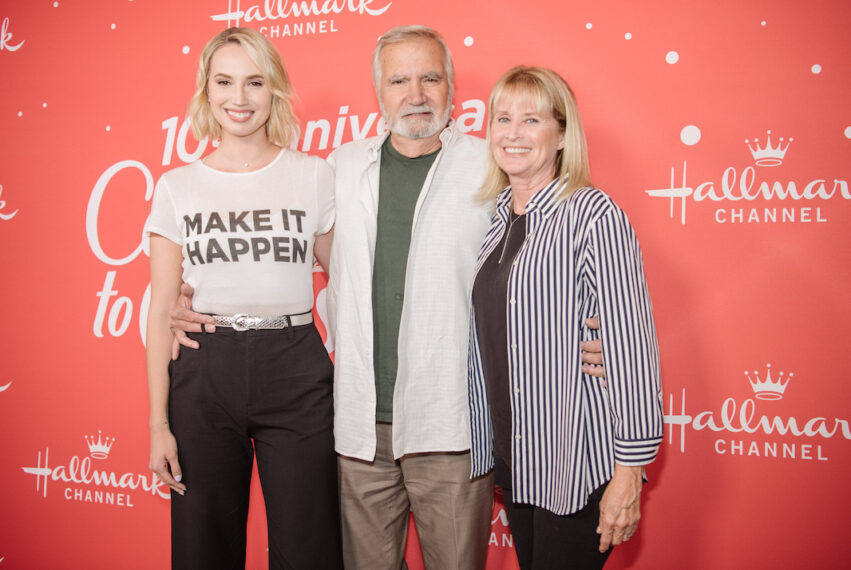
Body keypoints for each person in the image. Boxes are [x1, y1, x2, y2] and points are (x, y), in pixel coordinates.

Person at [169, 26, 608, 569]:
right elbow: (276, 245)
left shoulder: (491, 164)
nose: (415, 94)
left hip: (450, 426)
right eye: (398, 79)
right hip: (358, 434)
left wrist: (582, 336)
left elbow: (539, 257)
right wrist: (188, 299)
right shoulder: (340, 167)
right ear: (379, 89)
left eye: (429, 78)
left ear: (451, 87)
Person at [145, 27, 342, 569]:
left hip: (296, 364)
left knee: (310, 546)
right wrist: (158, 425)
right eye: (225, 82)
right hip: (206, 369)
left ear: (273, 89)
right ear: (206, 92)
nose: (239, 98)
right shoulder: (176, 188)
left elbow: (345, 279)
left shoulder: (314, 175)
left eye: (254, 82)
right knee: (202, 544)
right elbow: (162, 312)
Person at [467, 66, 664, 569]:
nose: (512, 133)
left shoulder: (593, 215)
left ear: (561, 135)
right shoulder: (498, 223)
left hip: (576, 463)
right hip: (520, 461)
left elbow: (631, 348)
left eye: (530, 119)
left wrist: (629, 471)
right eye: (502, 118)